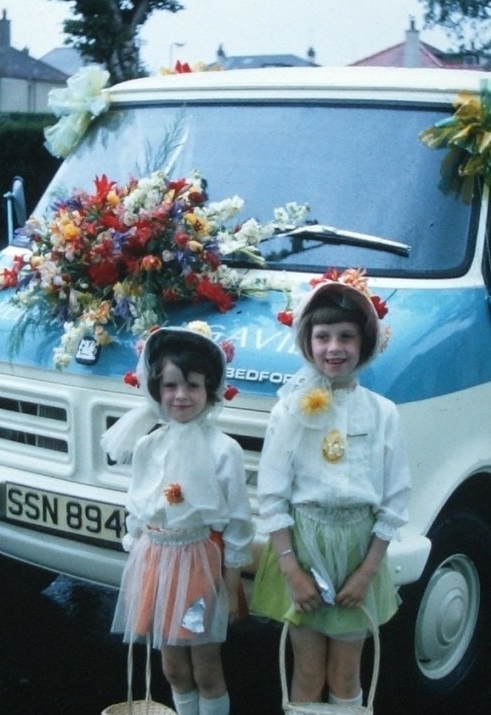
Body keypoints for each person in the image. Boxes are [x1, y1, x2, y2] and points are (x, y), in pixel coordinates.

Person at [250, 269, 411, 708]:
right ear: (307, 342)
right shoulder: (290, 410)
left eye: (346, 337)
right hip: (303, 548)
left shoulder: (382, 412)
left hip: (357, 552)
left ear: (365, 343)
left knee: (345, 673)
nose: (334, 348)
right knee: (307, 671)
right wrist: (291, 570)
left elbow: (395, 496)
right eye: (323, 336)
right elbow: (273, 492)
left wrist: (366, 573)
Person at [102, 321, 253, 715]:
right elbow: (139, 508)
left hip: (199, 566)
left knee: (206, 668)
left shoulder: (224, 450)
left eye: (193, 386)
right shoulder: (149, 445)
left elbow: (237, 520)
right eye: (170, 386)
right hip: (157, 564)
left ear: (211, 390)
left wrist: (231, 581)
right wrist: (137, 562)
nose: (181, 395)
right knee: (172, 667)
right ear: (156, 390)